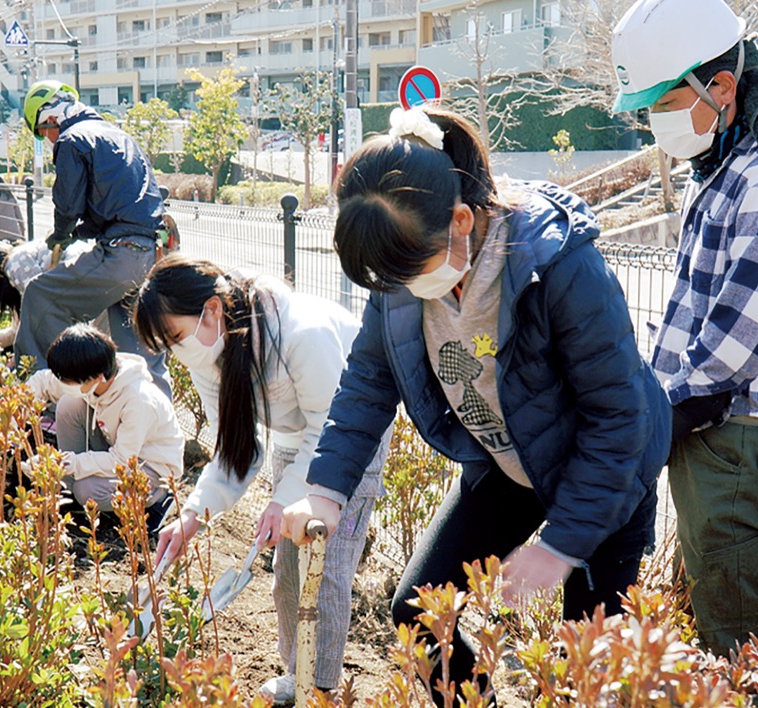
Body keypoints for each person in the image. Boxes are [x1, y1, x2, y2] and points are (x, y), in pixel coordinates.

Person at [280, 107, 671, 705]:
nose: (404, 290)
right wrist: (326, 489)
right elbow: (367, 381)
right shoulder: (403, 275)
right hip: (508, 465)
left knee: (585, 673)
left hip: (605, 473)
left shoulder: (559, 266)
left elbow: (619, 418)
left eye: (411, 273)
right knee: (420, 613)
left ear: (461, 220)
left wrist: (561, 544)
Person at [610, 0, 758, 658]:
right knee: (706, 629)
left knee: (740, 647)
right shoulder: (720, 173)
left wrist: (635, 431)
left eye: (663, 101)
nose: (654, 120)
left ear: (723, 88)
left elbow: (724, 364)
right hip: (706, 435)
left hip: (737, 444)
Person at [134, 256, 389, 703]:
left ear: (213, 309)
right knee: (287, 566)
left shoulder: (301, 333)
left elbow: (331, 425)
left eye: (174, 336)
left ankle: (320, 686)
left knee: (324, 568)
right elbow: (236, 447)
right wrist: (194, 515)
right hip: (297, 433)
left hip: (351, 433)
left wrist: (285, 499)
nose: (176, 351)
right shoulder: (207, 353)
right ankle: (298, 671)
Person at [14, 80, 170, 396]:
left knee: (41, 296)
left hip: (119, 256)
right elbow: (117, 204)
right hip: (150, 255)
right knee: (136, 352)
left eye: (44, 132)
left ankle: (40, 397)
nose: (48, 139)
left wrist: (59, 235)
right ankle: (157, 424)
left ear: (51, 117)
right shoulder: (119, 136)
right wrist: (78, 233)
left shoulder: (72, 140)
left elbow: (68, 205)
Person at [25, 323, 182, 527]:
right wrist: (13, 415)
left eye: (68, 380)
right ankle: (68, 489)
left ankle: (158, 499)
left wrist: (71, 463)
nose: (62, 383)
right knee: (69, 404)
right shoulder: (92, 372)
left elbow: (122, 460)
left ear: (98, 377)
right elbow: (43, 382)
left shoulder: (138, 400)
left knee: (87, 491)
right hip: (117, 446)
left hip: (149, 466)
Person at [0, 239, 102, 349]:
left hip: (85, 278)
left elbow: (45, 310)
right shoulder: (23, 258)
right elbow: (18, 331)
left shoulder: (14, 265)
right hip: (99, 272)